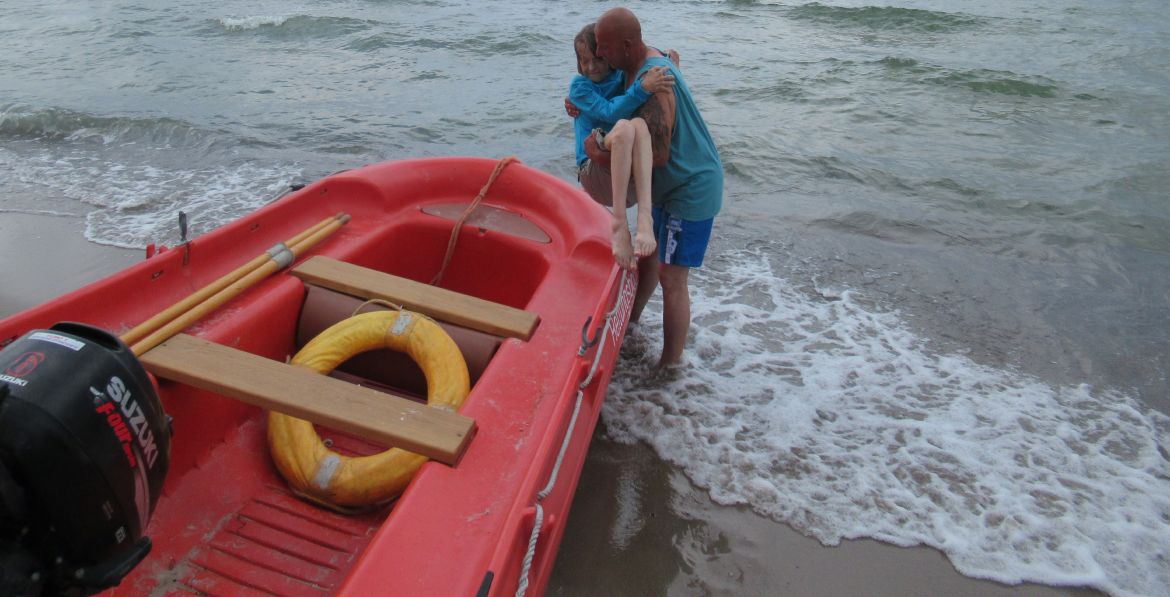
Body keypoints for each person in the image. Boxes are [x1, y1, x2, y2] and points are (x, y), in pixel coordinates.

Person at [587, 7, 723, 367]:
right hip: (670, 187)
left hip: (690, 186)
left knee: (672, 277)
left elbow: (658, 154)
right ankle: (629, 326)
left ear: (629, 45)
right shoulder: (644, 63)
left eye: (605, 47)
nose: (600, 53)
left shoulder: (652, 75)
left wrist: (603, 153)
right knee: (648, 260)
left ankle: (670, 365)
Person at [569, 23, 675, 270]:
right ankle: (619, 225)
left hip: (622, 168)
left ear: (608, 56)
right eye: (584, 61)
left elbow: (640, 55)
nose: (591, 67)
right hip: (592, 169)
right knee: (626, 126)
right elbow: (608, 112)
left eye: (597, 59)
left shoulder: (619, 76)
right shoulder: (579, 87)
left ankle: (644, 219)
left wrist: (668, 58)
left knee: (637, 124)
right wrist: (642, 88)